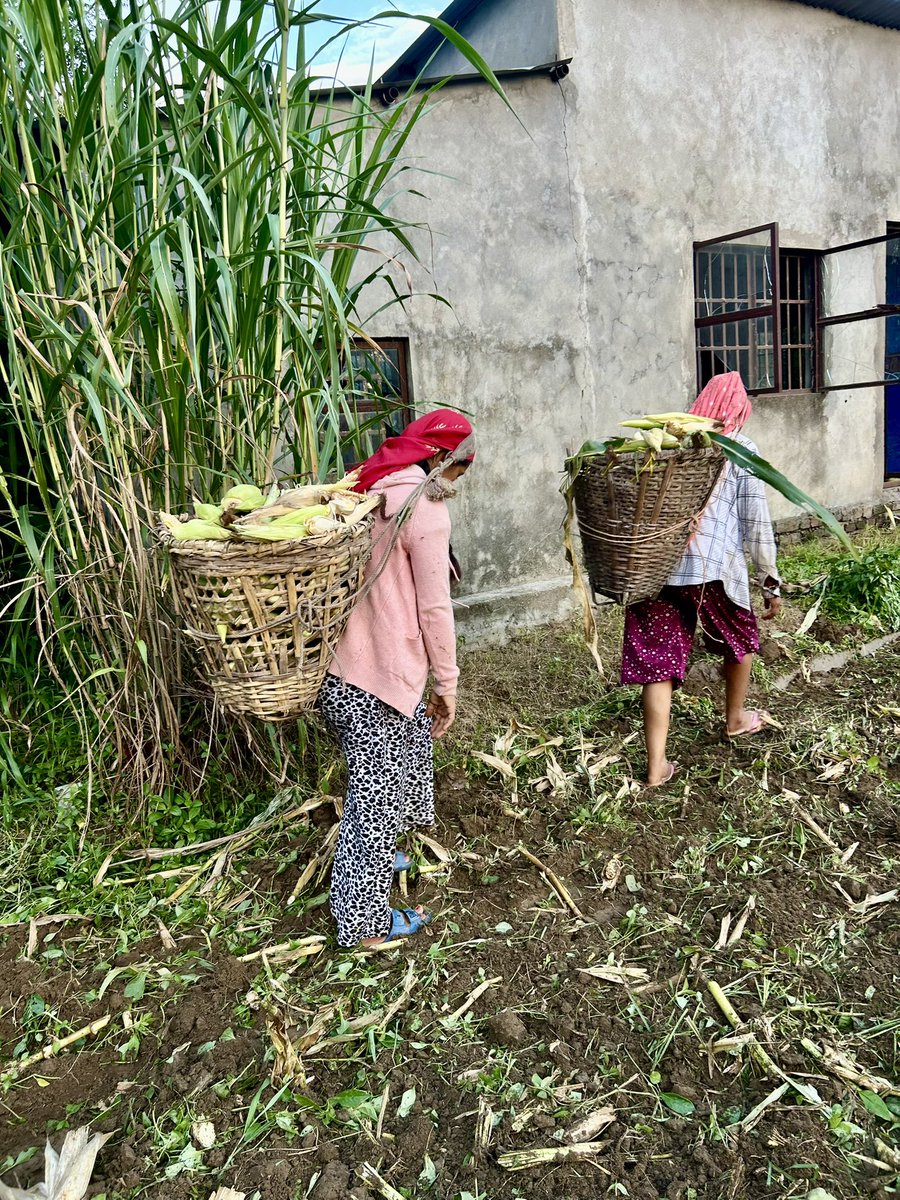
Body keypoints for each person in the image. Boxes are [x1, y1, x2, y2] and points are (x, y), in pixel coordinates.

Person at [317, 408, 475, 948]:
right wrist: (447, 684)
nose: (461, 479)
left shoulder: (367, 488)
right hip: (377, 678)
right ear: (442, 457)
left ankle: (381, 856)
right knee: (375, 804)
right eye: (462, 467)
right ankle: (362, 923)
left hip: (337, 669)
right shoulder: (423, 509)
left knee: (406, 756)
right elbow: (435, 608)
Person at [620, 372, 783, 786]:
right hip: (713, 571)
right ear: (739, 411)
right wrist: (769, 580)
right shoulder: (739, 449)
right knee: (740, 641)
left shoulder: (668, 445)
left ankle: (656, 767)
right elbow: (756, 521)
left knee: (658, 663)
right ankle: (735, 719)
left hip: (656, 567)